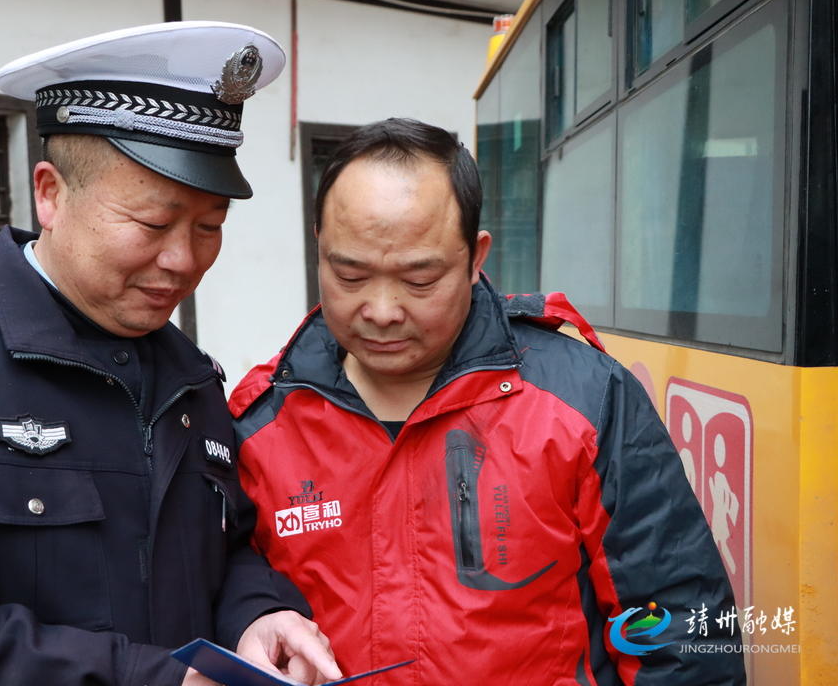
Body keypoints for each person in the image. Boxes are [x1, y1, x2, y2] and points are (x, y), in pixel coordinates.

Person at [0, 22, 340, 686]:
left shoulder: (188, 378)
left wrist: (259, 616)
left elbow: (225, 553)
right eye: (153, 223)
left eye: (209, 227)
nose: (184, 260)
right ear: (50, 194)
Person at [229, 118, 746, 684]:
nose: (381, 310)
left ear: (475, 259)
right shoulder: (259, 422)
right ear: (320, 248)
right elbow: (225, 587)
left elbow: (678, 626)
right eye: (349, 275)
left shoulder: (583, 401)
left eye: (419, 280)